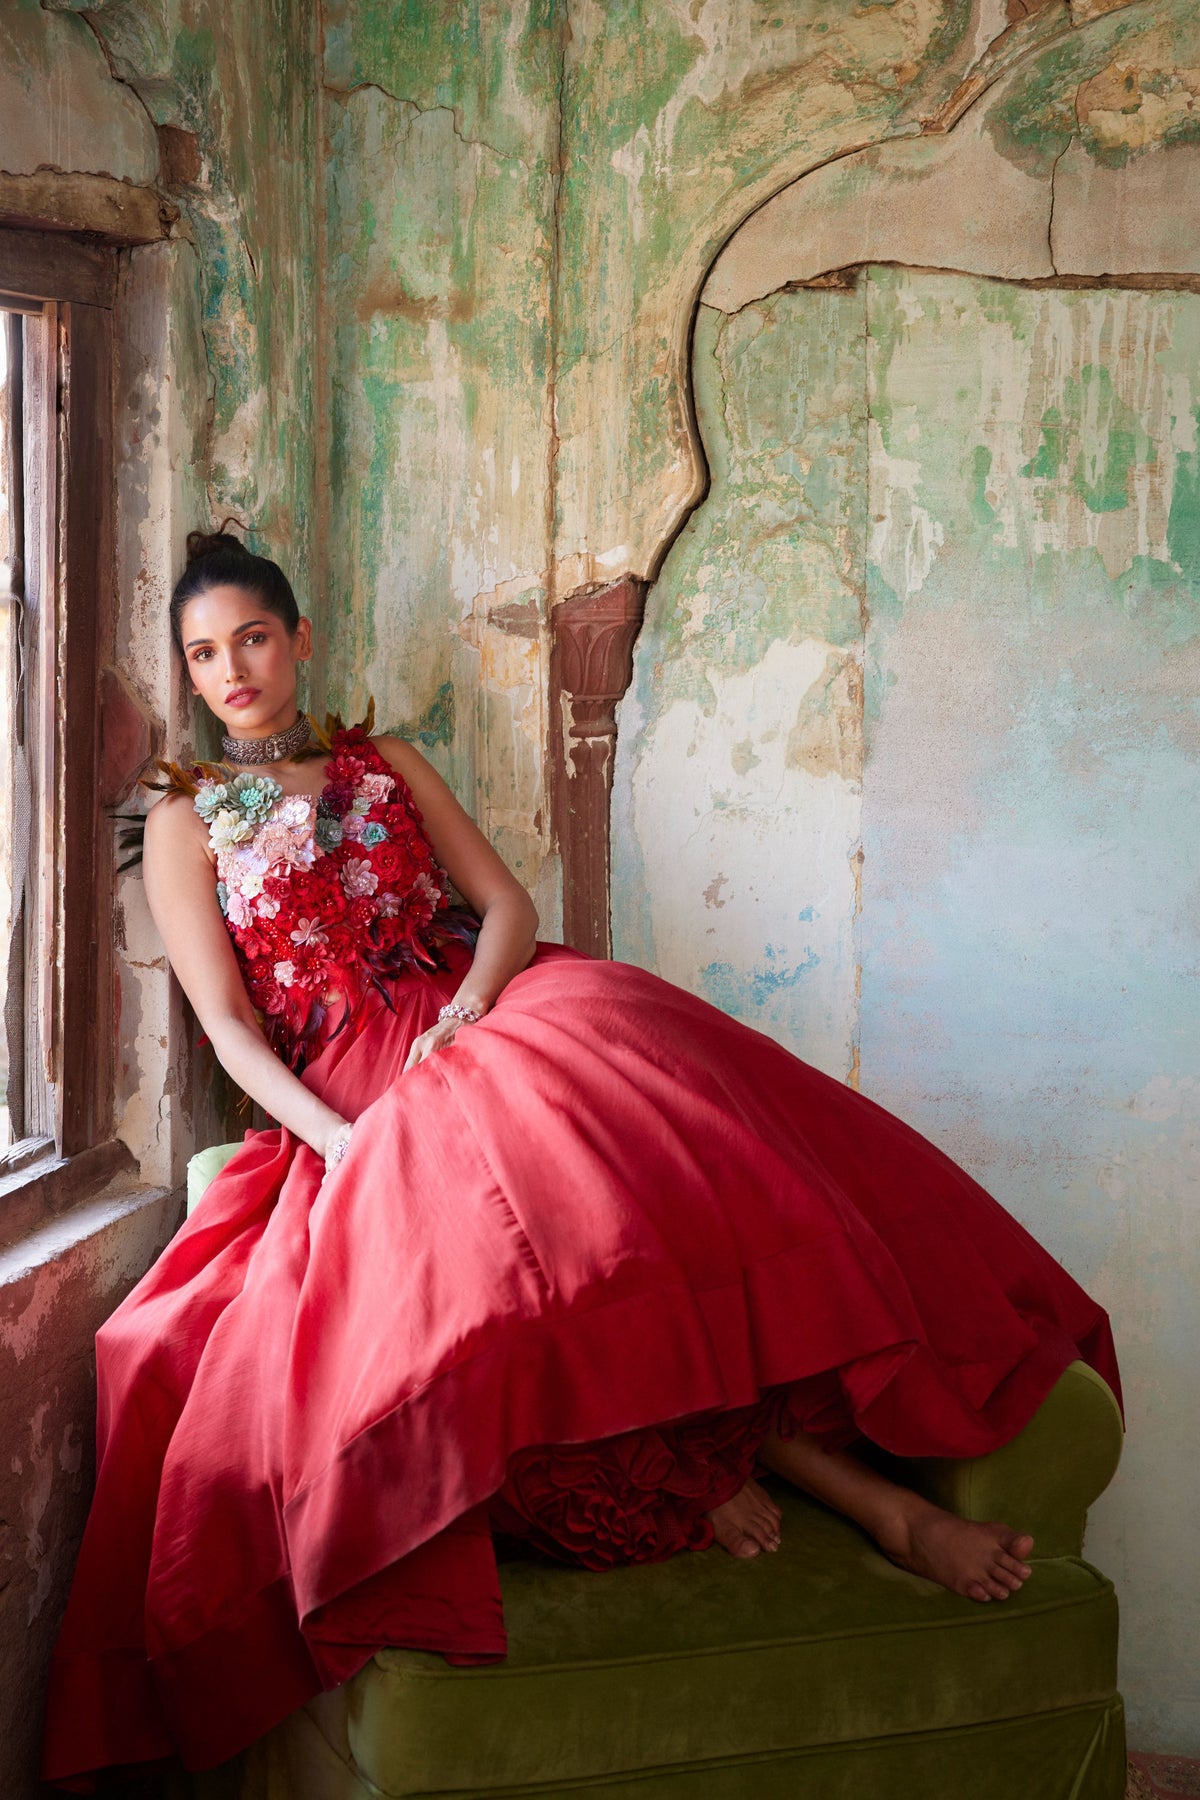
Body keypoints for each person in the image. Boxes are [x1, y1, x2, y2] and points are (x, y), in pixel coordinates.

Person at [42, 532, 1120, 1784]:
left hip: (488, 1016)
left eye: (254, 638)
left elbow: (505, 906)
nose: (231, 669)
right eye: (203, 652)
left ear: (302, 643)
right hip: (348, 1086)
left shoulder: (385, 761)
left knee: (647, 1184)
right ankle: (797, 1491)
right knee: (508, 1262)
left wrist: (469, 1015)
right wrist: (340, 1137)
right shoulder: (187, 819)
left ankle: (856, 1491)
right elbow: (230, 1026)